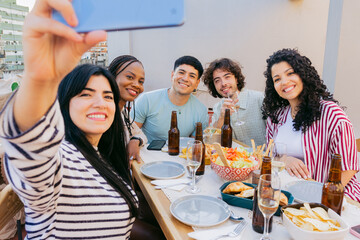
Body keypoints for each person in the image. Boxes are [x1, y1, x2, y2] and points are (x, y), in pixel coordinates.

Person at [0, 1, 139, 238]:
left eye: (107, 96)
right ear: (65, 104)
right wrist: (39, 79)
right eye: (85, 94)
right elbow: (28, 142)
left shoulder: (100, 154)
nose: (100, 103)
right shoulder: (59, 159)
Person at [262, 48, 359, 202]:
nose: (284, 82)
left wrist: (322, 198)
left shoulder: (331, 113)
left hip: (333, 197)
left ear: (303, 74)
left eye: (290, 73)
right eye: (277, 79)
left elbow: (349, 167)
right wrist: (284, 159)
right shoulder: (276, 116)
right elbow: (268, 154)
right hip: (289, 194)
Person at [132, 56, 208, 143]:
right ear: (172, 75)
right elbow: (130, 135)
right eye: (181, 72)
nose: (185, 79)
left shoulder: (201, 110)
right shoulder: (146, 100)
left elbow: (195, 145)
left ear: (197, 83)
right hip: (146, 154)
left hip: (178, 155)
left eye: (192, 76)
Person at [202, 58, 266, 146]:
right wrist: (221, 118)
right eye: (217, 80)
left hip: (261, 158)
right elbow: (212, 142)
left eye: (227, 77)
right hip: (234, 158)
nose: (223, 83)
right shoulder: (218, 108)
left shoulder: (259, 99)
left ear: (236, 78)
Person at [108, 55, 147, 163]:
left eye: (141, 81)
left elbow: (140, 134)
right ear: (112, 76)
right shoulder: (105, 113)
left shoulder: (122, 112)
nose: (137, 85)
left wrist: (135, 140)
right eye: (130, 77)